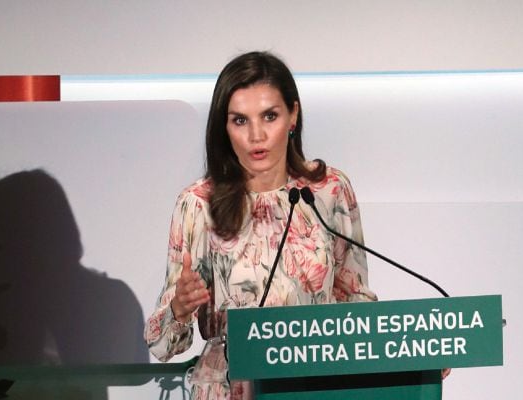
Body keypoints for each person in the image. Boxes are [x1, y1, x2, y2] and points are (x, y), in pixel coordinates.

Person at [145, 51, 377, 400]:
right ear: (224, 128)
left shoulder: (328, 190)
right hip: (230, 387)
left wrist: (409, 358)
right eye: (240, 120)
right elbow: (162, 346)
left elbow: (355, 302)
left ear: (293, 115)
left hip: (314, 384)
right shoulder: (198, 203)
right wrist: (180, 308)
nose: (257, 135)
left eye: (269, 116)